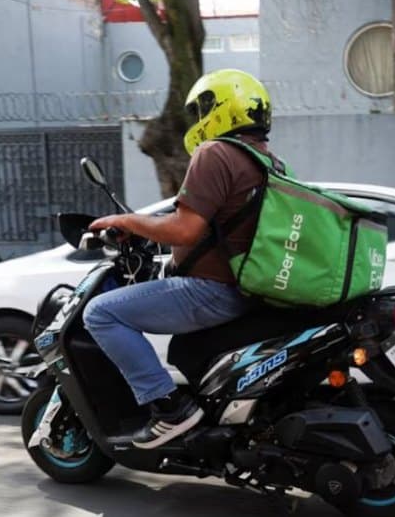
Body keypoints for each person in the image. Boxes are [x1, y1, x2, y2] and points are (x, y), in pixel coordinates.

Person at [83, 69, 277, 448]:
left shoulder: (216, 153)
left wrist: (126, 221)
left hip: (212, 291)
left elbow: (185, 229)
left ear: (221, 107)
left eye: (202, 109)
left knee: (101, 313)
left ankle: (170, 409)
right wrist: (149, 232)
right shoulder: (267, 161)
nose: (198, 119)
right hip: (246, 290)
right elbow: (219, 227)